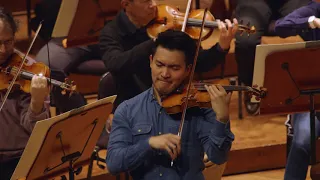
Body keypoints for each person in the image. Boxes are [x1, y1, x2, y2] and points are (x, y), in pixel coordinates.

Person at [106, 29, 234, 179]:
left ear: (188, 70)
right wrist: (149, 144)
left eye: (174, 68)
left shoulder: (200, 107)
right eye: (159, 65)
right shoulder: (128, 109)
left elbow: (218, 157)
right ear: (150, 61)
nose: (165, 74)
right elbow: (113, 163)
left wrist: (222, 118)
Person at [99, 0, 238, 112]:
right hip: (133, 102)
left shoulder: (169, 24)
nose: (153, 4)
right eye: (146, 1)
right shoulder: (111, 32)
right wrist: (154, 41)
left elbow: (199, 62)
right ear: (126, 5)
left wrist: (222, 46)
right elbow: (115, 64)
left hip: (173, 99)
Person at [0, 7, 50, 179]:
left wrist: (36, 102)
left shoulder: (26, 71)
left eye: (8, 41)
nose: (3, 50)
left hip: (17, 158)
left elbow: (35, 130)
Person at [234, 0, 310, 114]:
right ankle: (252, 85)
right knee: (245, 40)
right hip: (253, 3)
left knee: (314, 25)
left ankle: (312, 87)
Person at [274, 1, 320, 179]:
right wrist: (313, 21)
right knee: (301, 142)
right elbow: (281, 26)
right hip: (314, 100)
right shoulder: (315, 10)